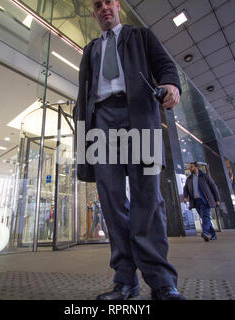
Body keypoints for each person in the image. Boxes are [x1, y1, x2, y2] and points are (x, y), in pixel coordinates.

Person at [73, 0, 184, 300]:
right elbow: (84, 93)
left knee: (148, 196)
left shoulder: (141, 36)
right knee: (110, 199)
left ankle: (161, 281)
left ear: (117, 6)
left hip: (140, 116)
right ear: (94, 13)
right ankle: (125, 280)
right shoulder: (91, 49)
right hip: (101, 122)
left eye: (108, 2)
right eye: (97, 5)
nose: (103, 8)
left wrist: (172, 85)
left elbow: (165, 66)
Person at [183, 162, 220, 242]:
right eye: (190, 167)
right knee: (205, 218)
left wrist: (217, 199)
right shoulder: (189, 179)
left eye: (192, 167)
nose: (190, 168)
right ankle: (213, 235)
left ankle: (205, 232)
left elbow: (214, 187)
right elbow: (185, 189)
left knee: (205, 217)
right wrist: (185, 197)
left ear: (197, 168)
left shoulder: (205, 177)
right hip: (196, 201)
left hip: (205, 200)